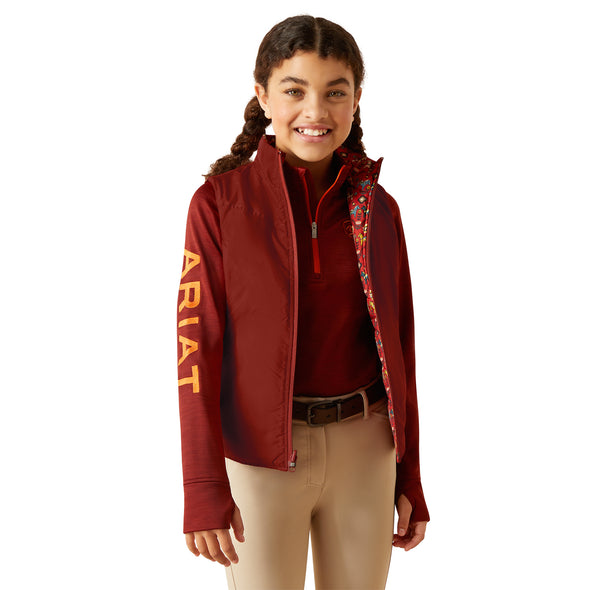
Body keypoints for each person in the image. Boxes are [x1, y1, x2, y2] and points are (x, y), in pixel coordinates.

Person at [177, 15, 430, 590]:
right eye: (294, 91)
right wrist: (203, 484)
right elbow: (195, 351)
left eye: (335, 92)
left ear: (356, 100)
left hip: (367, 449)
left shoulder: (379, 209)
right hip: (260, 457)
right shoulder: (217, 205)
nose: (315, 110)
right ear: (263, 95)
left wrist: (409, 473)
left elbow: (402, 347)